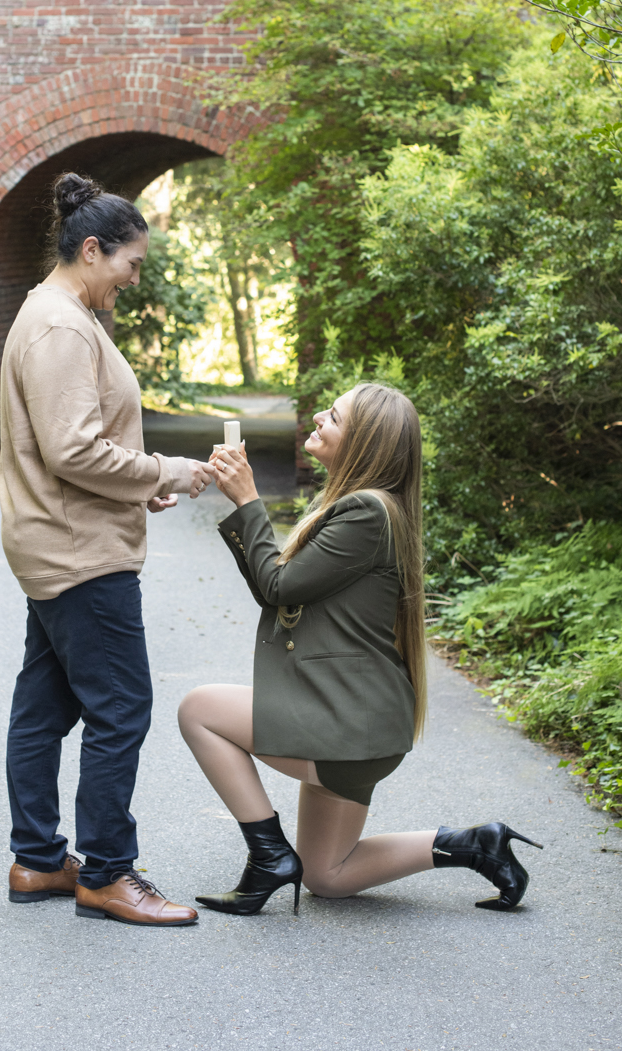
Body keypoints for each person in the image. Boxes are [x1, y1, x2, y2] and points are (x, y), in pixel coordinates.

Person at [178, 382, 542, 915]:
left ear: (364, 443)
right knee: (329, 875)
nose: (320, 418)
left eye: (335, 416)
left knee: (198, 710)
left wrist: (248, 500)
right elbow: (279, 585)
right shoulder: (365, 508)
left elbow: (277, 587)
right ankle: (475, 845)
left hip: (345, 721)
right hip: (358, 724)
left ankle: (267, 855)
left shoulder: (368, 512)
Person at [0, 172, 215, 927]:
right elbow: (72, 450)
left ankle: (36, 859)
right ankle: (107, 873)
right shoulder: (61, 324)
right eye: (130, 264)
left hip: (59, 540)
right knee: (121, 707)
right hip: (80, 552)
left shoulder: (54, 313)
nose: (132, 279)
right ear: (92, 249)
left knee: (45, 705)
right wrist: (167, 470)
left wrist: (136, 489)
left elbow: (77, 452)